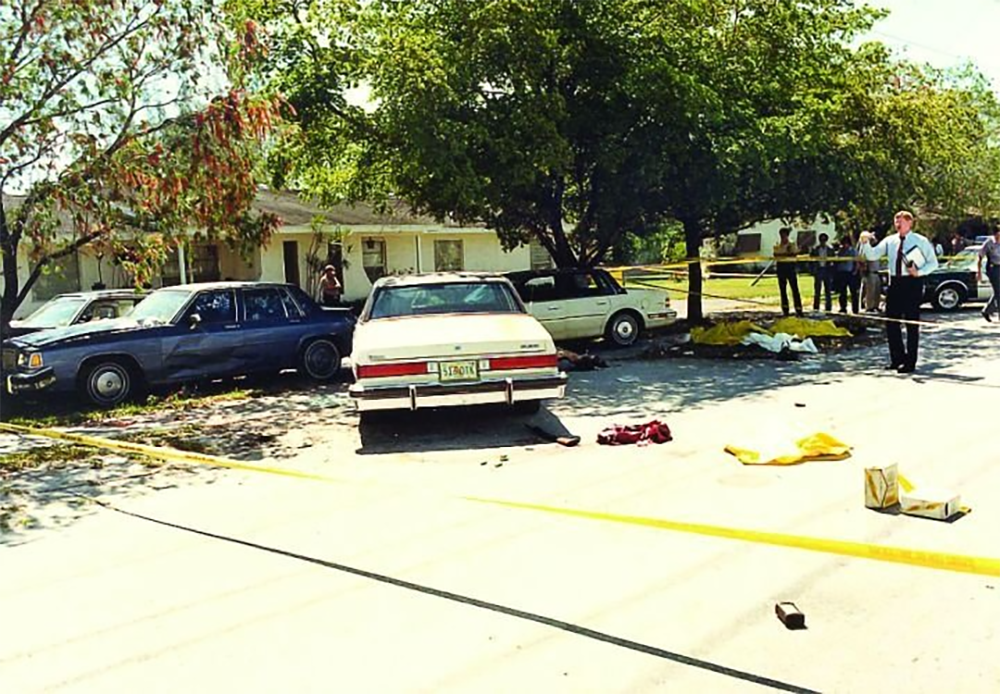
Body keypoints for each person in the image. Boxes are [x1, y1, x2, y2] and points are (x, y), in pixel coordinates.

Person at [862, 210, 939, 373]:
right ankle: (897, 359)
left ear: (910, 223)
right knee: (891, 322)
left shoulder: (920, 241)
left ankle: (910, 362)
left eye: (901, 221)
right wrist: (865, 242)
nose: (898, 224)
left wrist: (919, 272)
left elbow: (933, 263)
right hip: (895, 282)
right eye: (896, 221)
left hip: (912, 282)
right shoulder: (890, 241)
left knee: (911, 323)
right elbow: (872, 255)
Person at [772, 227, 803, 316]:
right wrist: (786, 253)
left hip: (790, 267)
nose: (783, 237)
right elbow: (776, 255)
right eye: (781, 235)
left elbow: (794, 254)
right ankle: (785, 309)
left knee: (795, 289)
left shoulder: (792, 244)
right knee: (783, 290)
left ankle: (798, 309)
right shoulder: (777, 245)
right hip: (781, 267)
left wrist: (787, 253)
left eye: (784, 235)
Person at [832, 234, 861, 314]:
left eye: (846, 243)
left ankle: (855, 309)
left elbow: (857, 262)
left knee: (853, 292)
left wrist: (855, 271)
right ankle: (843, 308)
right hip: (842, 273)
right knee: (842, 292)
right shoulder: (840, 251)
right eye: (843, 243)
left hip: (850, 273)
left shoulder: (853, 251)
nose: (844, 245)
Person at [978, 225, 1000, 322]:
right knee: (998, 292)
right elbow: (980, 257)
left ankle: (986, 310)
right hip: (993, 269)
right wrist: (978, 272)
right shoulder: (989, 243)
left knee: (998, 292)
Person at [858, 231, 882, 312]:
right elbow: (861, 260)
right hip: (870, 272)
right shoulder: (865, 248)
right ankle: (869, 307)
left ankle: (876, 306)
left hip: (877, 272)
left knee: (877, 291)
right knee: (870, 291)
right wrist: (864, 270)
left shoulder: (877, 249)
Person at [811, 233, 833, 312]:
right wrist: (813, 270)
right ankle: (816, 307)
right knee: (817, 290)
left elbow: (833, 260)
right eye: (821, 240)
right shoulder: (815, 249)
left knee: (828, 290)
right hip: (818, 270)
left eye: (824, 240)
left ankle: (828, 307)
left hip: (827, 270)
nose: (823, 241)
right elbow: (811, 261)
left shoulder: (830, 249)